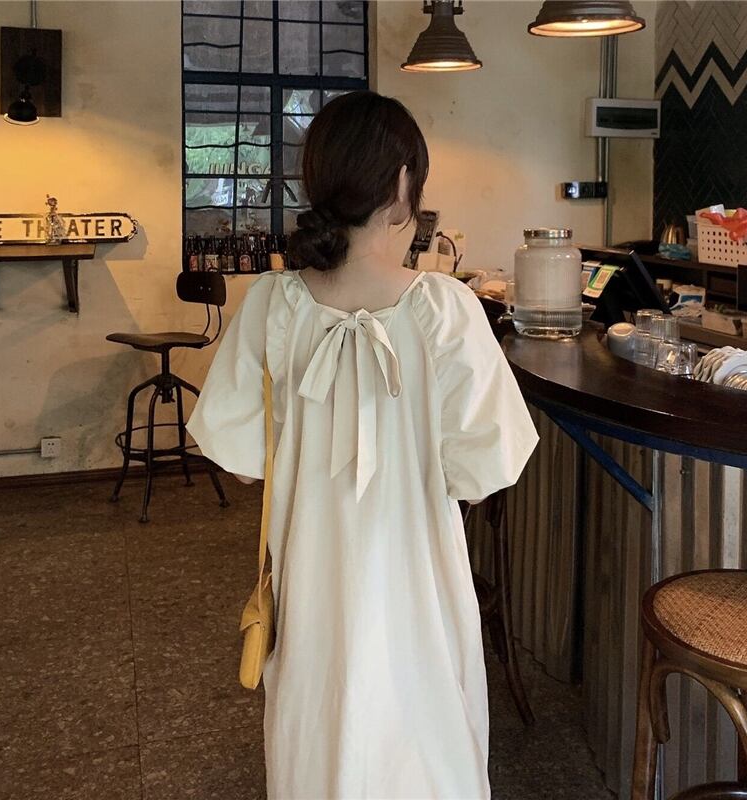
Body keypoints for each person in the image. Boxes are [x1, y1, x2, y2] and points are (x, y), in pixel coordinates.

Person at [186, 90, 538, 800]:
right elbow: (486, 467)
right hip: (418, 585)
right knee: (427, 745)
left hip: (311, 580)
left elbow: (239, 459)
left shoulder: (272, 303)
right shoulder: (446, 308)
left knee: (316, 738)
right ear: (404, 184)